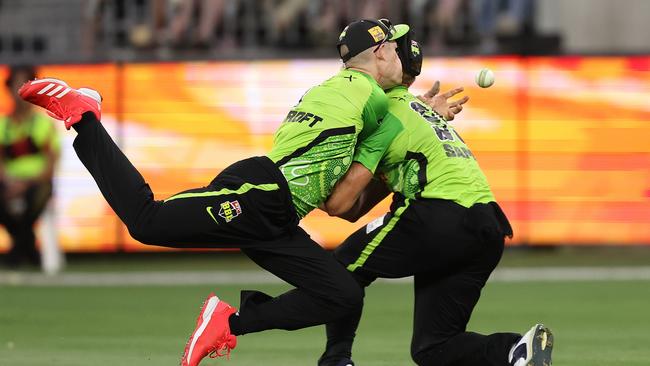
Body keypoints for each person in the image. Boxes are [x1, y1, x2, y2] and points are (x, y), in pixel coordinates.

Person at [17, 18, 428, 366]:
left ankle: (228, 322)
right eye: (395, 49)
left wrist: (412, 112)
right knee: (147, 221)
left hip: (278, 213)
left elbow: (343, 202)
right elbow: (398, 113)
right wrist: (426, 111)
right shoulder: (367, 94)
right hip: (258, 194)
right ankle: (84, 115)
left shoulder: (344, 88)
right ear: (378, 54)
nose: (403, 58)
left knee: (342, 296)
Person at [318, 31, 554, 366]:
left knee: (341, 268)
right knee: (433, 349)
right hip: (487, 223)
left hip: (441, 216)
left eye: (390, 50)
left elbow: (345, 205)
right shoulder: (422, 112)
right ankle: (515, 351)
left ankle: (336, 359)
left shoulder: (387, 112)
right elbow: (354, 207)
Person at [0, 66, 60, 268]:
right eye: (17, 84)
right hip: (9, 183)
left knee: (35, 198)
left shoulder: (43, 124)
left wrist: (23, 184)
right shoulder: (2, 125)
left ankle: (17, 253)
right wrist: (9, 182)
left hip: (37, 184)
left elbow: (50, 165)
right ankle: (29, 250)